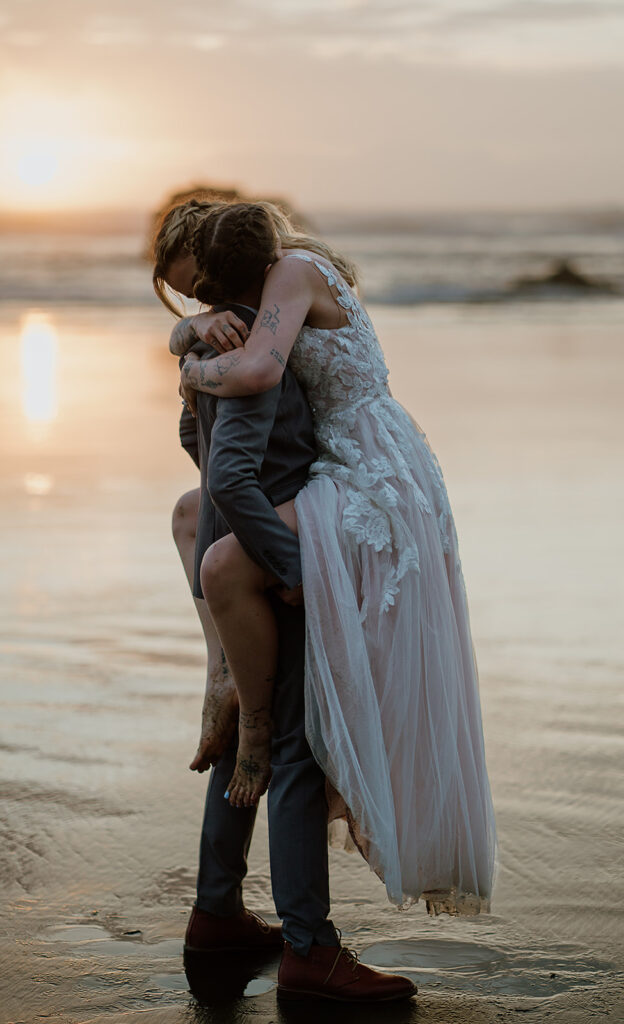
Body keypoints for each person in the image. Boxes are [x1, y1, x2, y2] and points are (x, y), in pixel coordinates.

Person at [153, 199, 497, 918]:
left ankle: (244, 711)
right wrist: (188, 334)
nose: (208, 306)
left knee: (226, 560)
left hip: (368, 471)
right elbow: (218, 435)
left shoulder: (292, 273)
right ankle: (225, 675)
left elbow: (251, 372)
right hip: (338, 460)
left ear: (223, 262)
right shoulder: (277, 282)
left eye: (205, 289)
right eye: (191, 300)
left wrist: (190, 366)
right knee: (191, 516)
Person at [159, 208, 417, 1001]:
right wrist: (296, 569)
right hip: (285, 538)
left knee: (251, 720)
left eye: (183, 287)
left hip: (287, 517)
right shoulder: (243, 333)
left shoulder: (247, 326)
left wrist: (190, 344)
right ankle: (308, 948)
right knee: (291, 739)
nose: (183, 306)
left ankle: (217, 913)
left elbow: (210, 455)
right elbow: (230, 468)